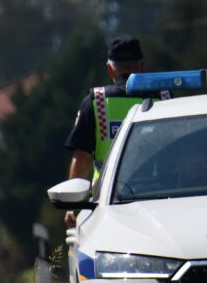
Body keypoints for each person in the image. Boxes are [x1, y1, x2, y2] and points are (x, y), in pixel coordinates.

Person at [63, 34, 149, 227]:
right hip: (161, 202)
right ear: (142, 66)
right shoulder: (165, 97)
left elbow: (83, 158)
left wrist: (73, 206)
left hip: (106, 205)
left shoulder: (96, 102)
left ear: (110, 69)